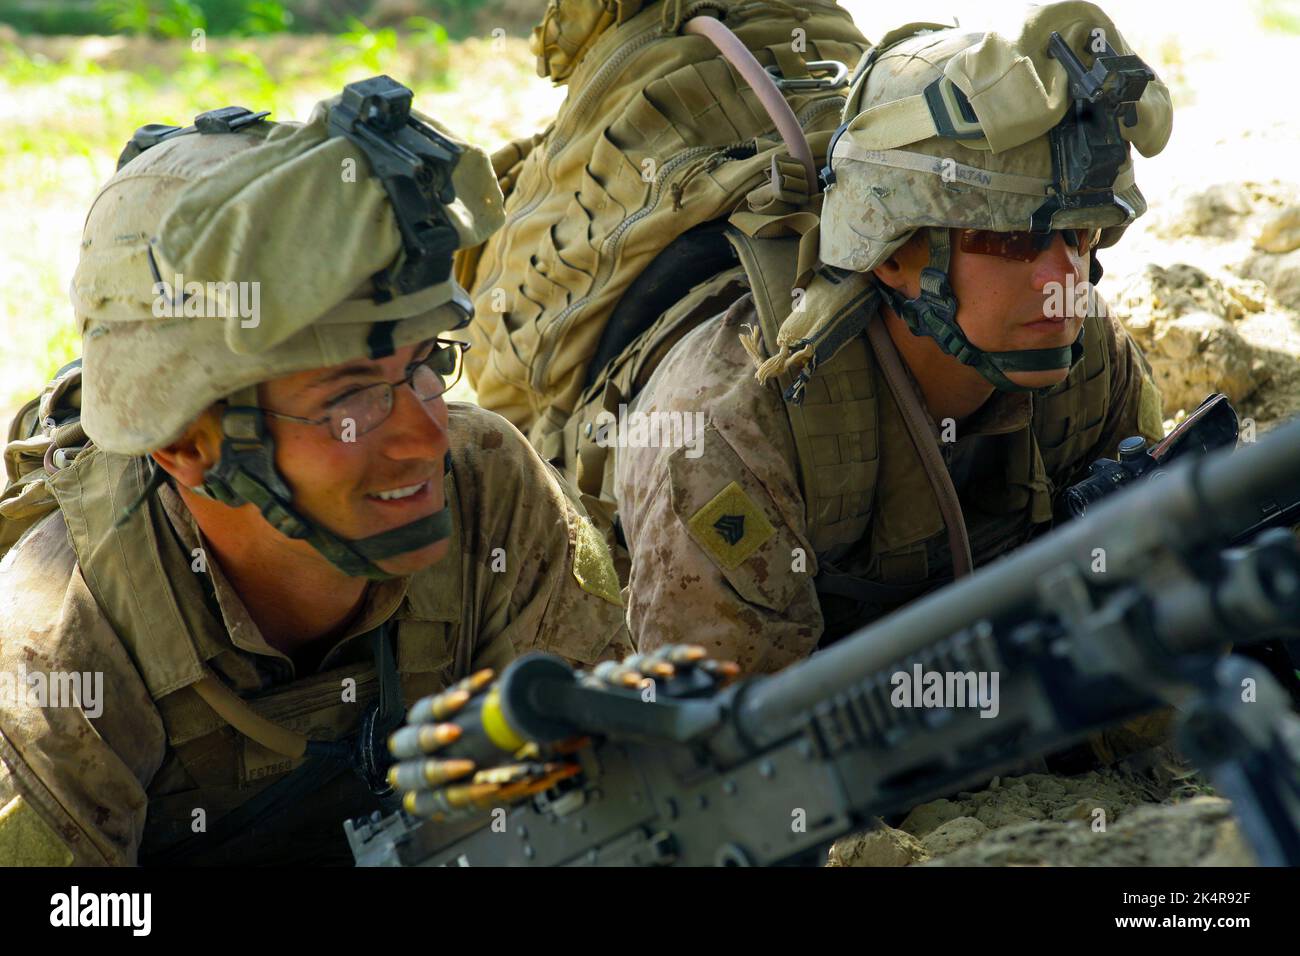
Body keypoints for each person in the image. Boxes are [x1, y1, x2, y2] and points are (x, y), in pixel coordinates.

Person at [0, 78, 628, 866]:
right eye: (354, 398)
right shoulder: (56, 648)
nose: (427, 435)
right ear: (189, 445)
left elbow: (603, 802)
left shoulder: (492, 485)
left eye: (426, 363)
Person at [608, 4, 1174, 673]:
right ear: (892, 251)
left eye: (1081, 234)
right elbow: (727, 750)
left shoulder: (1087, 362)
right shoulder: (732, 429)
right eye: (1010, 240)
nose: (1065, 279)